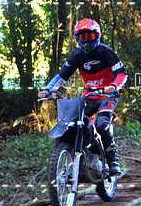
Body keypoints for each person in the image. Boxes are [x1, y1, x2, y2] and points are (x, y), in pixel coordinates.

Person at [38, 18, 127, 175]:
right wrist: (48, 89)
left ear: (97, 36)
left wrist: (114, 86)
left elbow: (122, 74)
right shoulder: (77, 55)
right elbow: (62, 76)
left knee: (102, 124)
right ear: (76, 38)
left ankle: (113, 159)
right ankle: (82, 152)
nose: (86, 41)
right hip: (90, 95)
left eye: (89, 36)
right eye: (82, 37)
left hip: (107, 95)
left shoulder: (105, 52)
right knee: (74, 120)